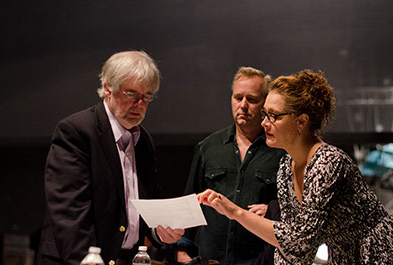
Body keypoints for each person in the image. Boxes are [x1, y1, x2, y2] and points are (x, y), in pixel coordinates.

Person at [197, 69, 393, 264]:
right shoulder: (285, 166)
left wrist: (235, 212)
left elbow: (299, 245)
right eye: (265, 114)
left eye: (274, 115)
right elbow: (289, 248)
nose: (264, 122)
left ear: (301, 121)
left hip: (379, 255)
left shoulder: (328, 163)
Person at [36, 51, 184, 265]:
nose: (140, 104)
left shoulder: (144, 141)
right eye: (131, 94)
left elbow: (142, 206)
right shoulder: (77, 131)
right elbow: (70, 212)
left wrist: (157, 232)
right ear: (107, 88)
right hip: (78, 259)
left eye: (147, 96)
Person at [177, 67, 285, 265]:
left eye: (251, 99)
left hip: (259, 260)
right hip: (210, 260)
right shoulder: (208, 147)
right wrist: (181, 249)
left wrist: (271, 208)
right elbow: (189, 203)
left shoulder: (281, 152)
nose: (243, 105)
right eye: (238, 98)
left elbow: (294, 210)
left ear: (265, 103)